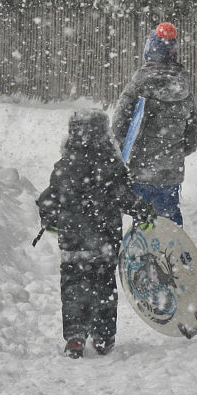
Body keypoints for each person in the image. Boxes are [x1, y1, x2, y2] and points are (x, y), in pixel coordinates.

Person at [37, 110, 155, 359]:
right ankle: (102, 336)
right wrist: (142, 211)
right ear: (105, 134)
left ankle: (75, 336)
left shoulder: (65, 166)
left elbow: (49, 199)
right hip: (104, 242)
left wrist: (49, 220)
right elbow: (124, 198)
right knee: (103, 287)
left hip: (73, 242)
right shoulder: (111, 167)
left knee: (73, 287)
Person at [111, 22, 197, 226]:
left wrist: (118, 156)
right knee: (168, 223)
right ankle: (170, 255)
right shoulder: (184, 90)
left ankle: (143, 254)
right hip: (170, 174)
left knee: (143, 222)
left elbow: (118, 126)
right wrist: (172, 153)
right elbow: (192, 138)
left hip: (140, 170)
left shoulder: (137, 86)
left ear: (149, 52)